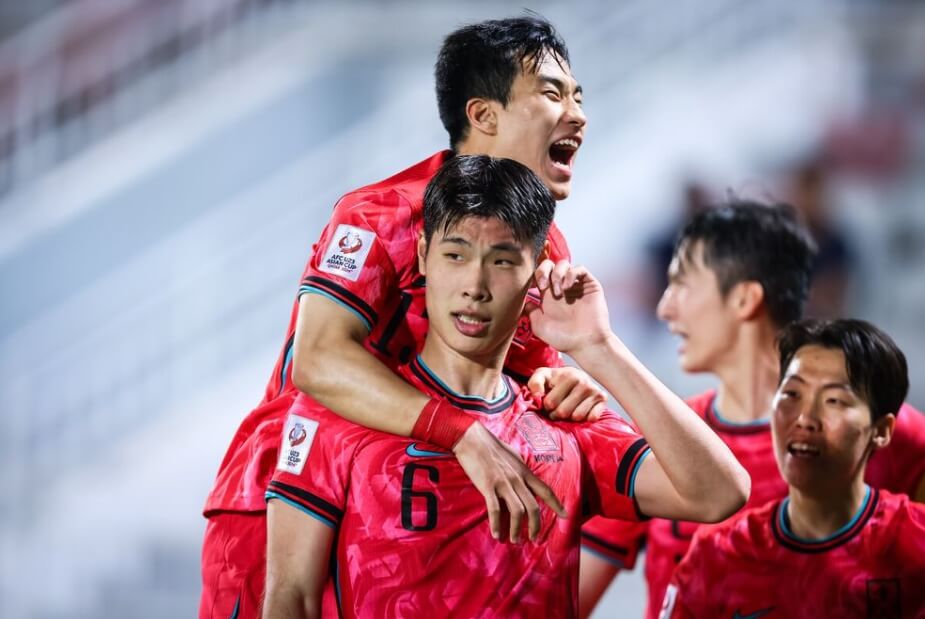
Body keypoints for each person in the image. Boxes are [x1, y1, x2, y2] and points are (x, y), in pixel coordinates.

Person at [201, 15, 605, 619]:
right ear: (484, 115)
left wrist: (560, 383)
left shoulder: (550, 247)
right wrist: (460, 432)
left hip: (411, 519)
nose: (577, 114)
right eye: (552, 94)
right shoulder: (380, 215)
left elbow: (521, 385)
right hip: (291, 506)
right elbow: (319, 358)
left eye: (578, 97)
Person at [263, 155, 749, 618]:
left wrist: (600, 348)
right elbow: (291, 597)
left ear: (536, 270)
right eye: (456, 254)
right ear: (423, 255)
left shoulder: (564, 422)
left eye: (501, 261)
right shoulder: (336, 415)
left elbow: (719, 493)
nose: (474, 284)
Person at [579, 200, 925, 619]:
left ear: (744, 298)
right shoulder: (658, 440)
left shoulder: (887, 432)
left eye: (682, 284)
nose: (665, 307)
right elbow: (563, 599)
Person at [660, 319, 925, 618]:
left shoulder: (916, 540)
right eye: (792, 394)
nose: (805, 418)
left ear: (882, 429)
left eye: (834, 400)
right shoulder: (718, 555)